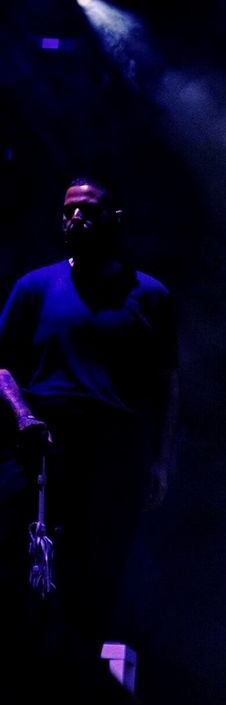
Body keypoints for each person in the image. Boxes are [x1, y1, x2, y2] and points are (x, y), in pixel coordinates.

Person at [0, 175, 179, 649]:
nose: (75, 217)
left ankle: (76, 679)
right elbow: (2, 366)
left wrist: (160, 461)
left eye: (88, 210)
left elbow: (164, 385)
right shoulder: (34, 287)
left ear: (114, 220)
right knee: (20, 565)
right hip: (40, 446)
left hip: (113, 452)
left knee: (96, 578)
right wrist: (23, 418)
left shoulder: (150, 296)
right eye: (68, 210)